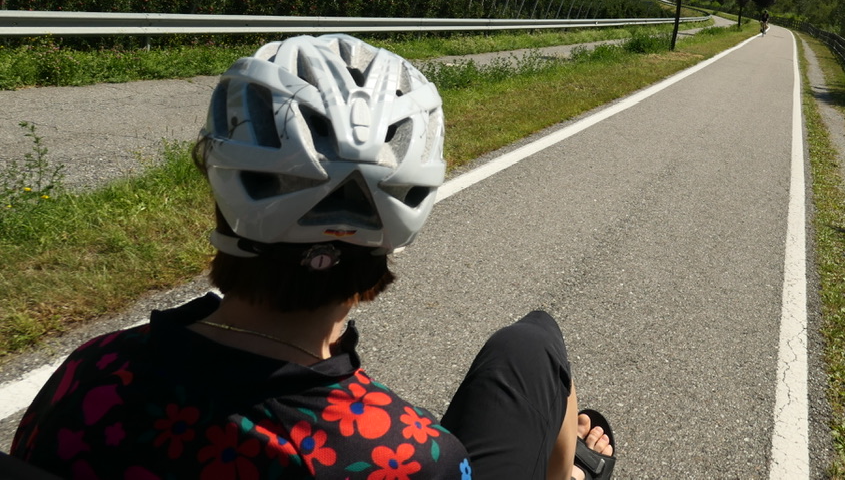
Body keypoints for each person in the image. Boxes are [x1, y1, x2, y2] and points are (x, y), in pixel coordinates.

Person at [9, 33, 616, 480]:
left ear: (222, 192)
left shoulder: (90, 375)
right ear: (396, 230)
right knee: (533, 342)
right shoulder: (413, 456)